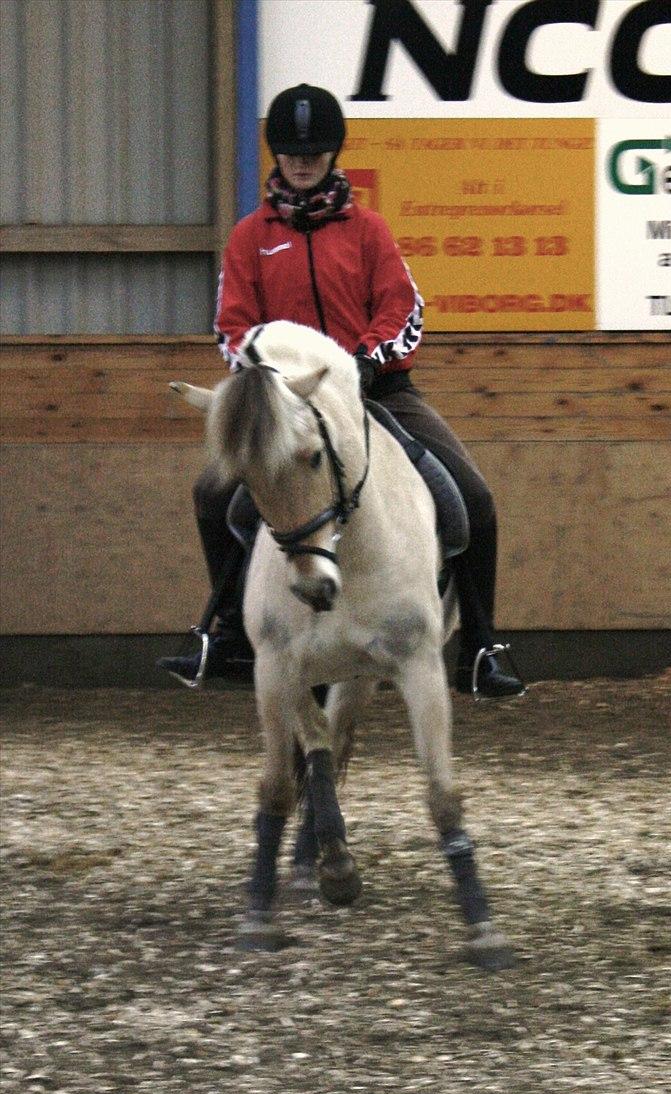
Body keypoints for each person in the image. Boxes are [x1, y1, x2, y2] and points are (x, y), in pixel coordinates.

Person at [158, 84, 523, 699]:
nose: (303, 164)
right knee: (214, 496)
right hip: (287, 401)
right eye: (293, 154)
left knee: (471, 498)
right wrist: (272, 378)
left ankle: (481, 649)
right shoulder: (250, 237)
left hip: (378, 390)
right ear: (278, 156)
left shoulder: (368, 230)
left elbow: (403, 307)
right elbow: (232, 327)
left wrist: (368, 360)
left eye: (314, 153)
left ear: (332, 155)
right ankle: (229, 636)